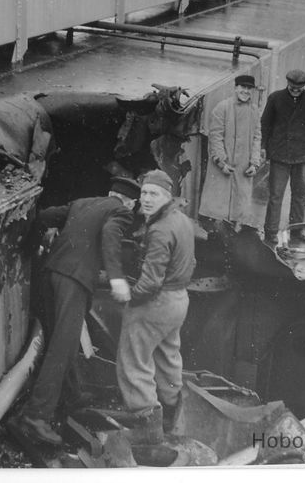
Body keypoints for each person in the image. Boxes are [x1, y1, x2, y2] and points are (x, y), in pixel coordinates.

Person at [8, 176, 141, 447]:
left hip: (51, 273)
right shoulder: (122, 211)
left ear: (109, 191)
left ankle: (73, 398)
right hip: (74, 281)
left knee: (60, 339)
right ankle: (35, 417)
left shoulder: (83, 203)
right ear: (131, 201)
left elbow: (43, 215)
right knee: (63, 347)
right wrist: (116, 276)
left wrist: (30, 246)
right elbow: (110, 235)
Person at [115, 169, 196, 444]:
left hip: (157, 302)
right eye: (144, 193)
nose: (146, 199)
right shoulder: (182, 220)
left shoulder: (160, 229)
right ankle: (172, 417)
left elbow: (150, 283)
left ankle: (146, 429)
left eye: (154, 194)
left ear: (167, 196)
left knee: (134, 361)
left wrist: (129, 297)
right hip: (179, 301)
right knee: (167, 357)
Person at [260, 69, 305, 245]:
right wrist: (262, 147)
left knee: (300, 194)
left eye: (299, 87)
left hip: (301, 155)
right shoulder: (275, 98)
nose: (296, 89)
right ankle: (270, 232)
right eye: (293, 86)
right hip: (280, 154)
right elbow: (265, 125)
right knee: (276, 195)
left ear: (304, 85)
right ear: (288, 83)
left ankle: (296, 230)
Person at [198, 74, 262, 230]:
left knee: (238, 213)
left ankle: (233, 237)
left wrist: (254, 163)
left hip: (243, 169)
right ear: (236, 88)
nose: (245, 91)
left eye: (249, 88)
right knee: (216, 212)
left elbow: (257, 138)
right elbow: (215, 137)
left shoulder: (254, 111)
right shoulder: (222, 107)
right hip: (222, 169)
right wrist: (221, 162)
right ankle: (212, 238)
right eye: (243, 87)